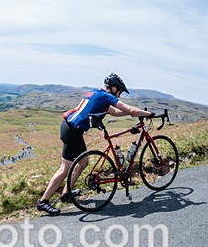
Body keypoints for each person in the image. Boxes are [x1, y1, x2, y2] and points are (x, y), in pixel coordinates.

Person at [36, 73, 154, 215]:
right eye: (120, 92)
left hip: (74, 129)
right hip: (71, 131)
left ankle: (67, 194)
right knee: (65, 168)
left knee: (83, 162)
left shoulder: (98, 94)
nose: (120, 96)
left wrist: (132, 114)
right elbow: (130, 109)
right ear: (114, 88)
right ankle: (43, 201)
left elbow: (116, 112)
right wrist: (148, 114)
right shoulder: (106, 96)